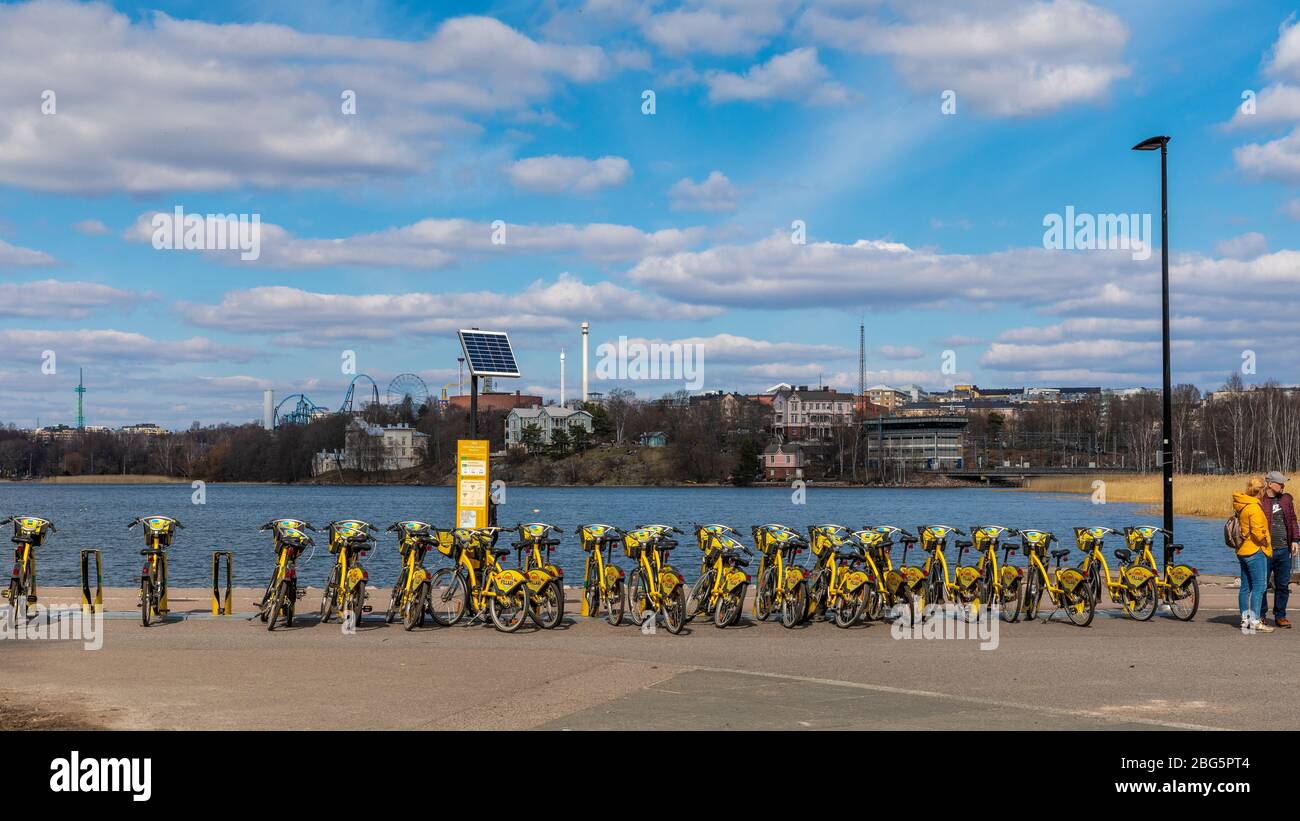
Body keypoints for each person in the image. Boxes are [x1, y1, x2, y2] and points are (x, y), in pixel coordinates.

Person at [1233, 476, 1275, 633]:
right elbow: (1258, 533)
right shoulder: (1255, 508)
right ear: (1261, 491)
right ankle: (1255, 620)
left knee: (1245, 587)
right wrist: (1266, 540)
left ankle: (1245, 619)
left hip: (1242, 550)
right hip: (1255, 550)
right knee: (1260, 586)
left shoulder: (1242, 504)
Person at [1259, 471, 1300, 627]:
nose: (1283, 486)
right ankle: (1261, 615)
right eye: (1280, 483)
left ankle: (1280, 616)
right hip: (1265, 550)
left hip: (1284, 549)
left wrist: (1295, 540)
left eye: (1284, 483)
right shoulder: (1260, 500)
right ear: (1270, 484)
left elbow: (1293, 520)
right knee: (1262, 584)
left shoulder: (1286, 499)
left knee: (1282, 585)